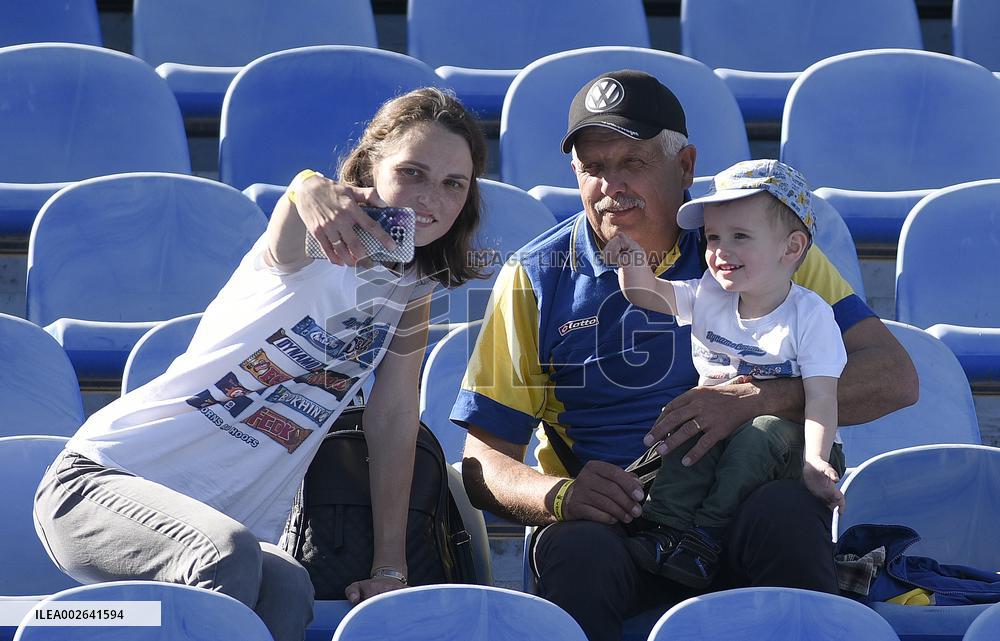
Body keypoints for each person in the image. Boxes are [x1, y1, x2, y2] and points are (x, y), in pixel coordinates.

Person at [452, 69, 918, 641]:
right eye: (593, 167)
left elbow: (894, 376)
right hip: (615, 525)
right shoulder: (534, 276)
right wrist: (562, 496)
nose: (611, 184)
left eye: (633, 162)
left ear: (686, 165)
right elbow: (483, 464)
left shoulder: (760, 244)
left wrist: (758, 400)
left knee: (790, 512)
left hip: (744, 511)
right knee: (576, 551)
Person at [33, 87, 487, 641]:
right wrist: (306, 184)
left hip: (221, 531)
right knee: (226, 556)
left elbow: (392, 420)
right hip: (100, 485)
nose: (430, 197)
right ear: (373, 163)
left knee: (288, 586)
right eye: (412, 172)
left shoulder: (412, 289)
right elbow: (295, 211)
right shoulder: (309, 245)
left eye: (453, 183)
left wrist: (390, 568)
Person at [605, 158, 848, 590]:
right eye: (713, 237)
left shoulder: (810, 315)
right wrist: (631, 262)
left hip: (798, 444)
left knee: (760, 432)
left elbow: (822, 396)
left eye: (740, 236)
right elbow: (649, 293)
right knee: (689, 426)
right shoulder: (709, 293)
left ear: (791, 248)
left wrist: (816, 459)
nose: (720, 250)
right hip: (724, 433)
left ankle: (706, 538)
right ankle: (666, 530)